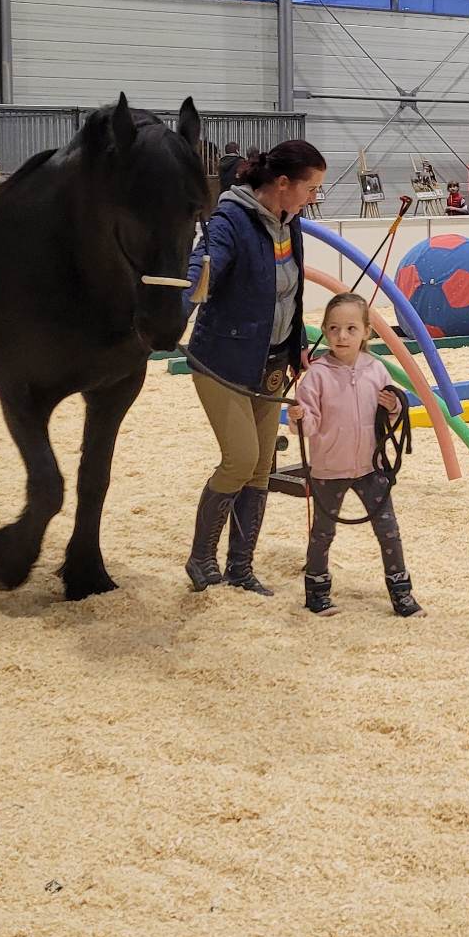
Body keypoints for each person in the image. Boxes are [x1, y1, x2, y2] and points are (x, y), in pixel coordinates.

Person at [182, 137, 325, 594]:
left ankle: (240, 568)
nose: (313, 198)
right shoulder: (229, 220)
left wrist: (298, 342)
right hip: (222, 361)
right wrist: (179, 303)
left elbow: (290, 294)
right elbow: (202, 267)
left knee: (261, 467)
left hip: (273, 362)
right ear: (283, 184)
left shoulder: (291, 222)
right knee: (240, 460)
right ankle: (201, 557)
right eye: (310, 189)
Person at [294, 292, 421, 619]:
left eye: (351, 328)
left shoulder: (377, 370)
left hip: (371, 467)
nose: (341, 336)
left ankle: (401, 594)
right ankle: (317, 592)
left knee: (388, 529)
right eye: (333, 328)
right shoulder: (317, 376)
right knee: (323, 532)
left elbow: (391, 414)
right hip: (328, 468)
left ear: (367, 332)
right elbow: (308, 426)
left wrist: (394, 407)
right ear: (324, 329)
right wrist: (299, 419)